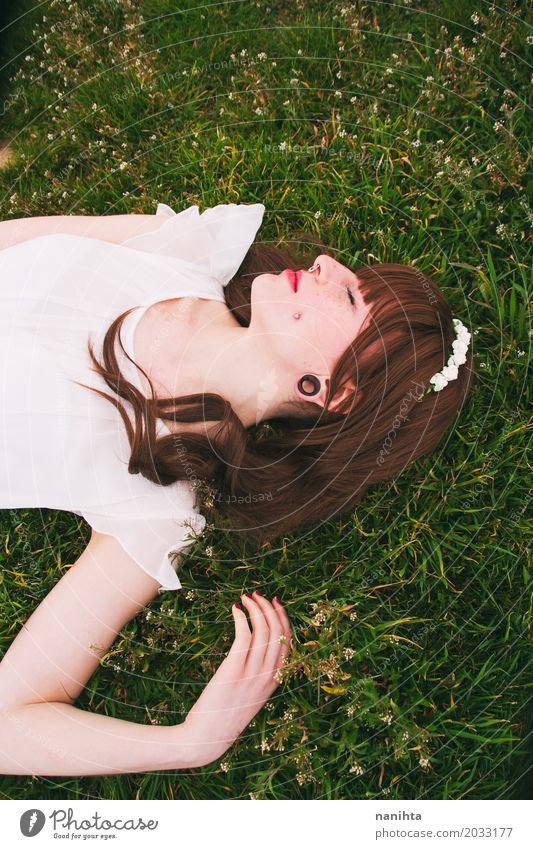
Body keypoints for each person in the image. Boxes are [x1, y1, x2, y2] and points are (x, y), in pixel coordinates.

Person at [0, 201, 474, 777]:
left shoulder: (155, 502)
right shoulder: (183, 253)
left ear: (335, 391)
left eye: (350, 297)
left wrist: (190, 742)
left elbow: (9, 723)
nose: (326, 262)